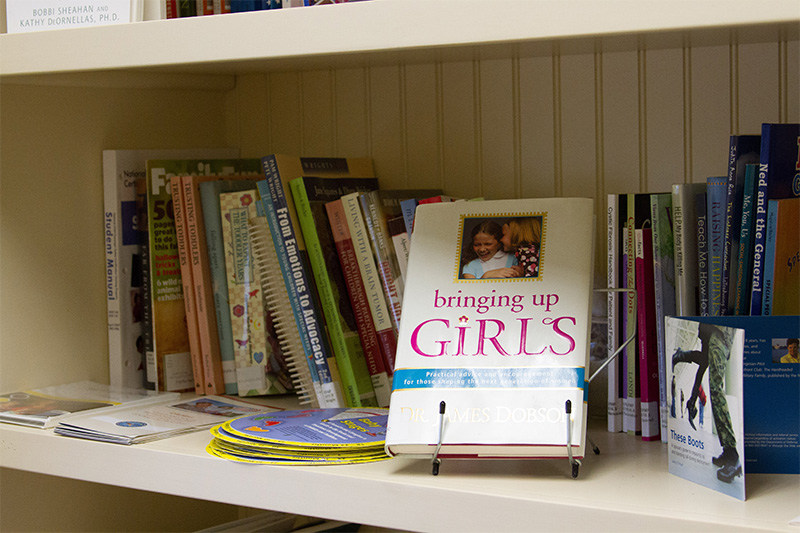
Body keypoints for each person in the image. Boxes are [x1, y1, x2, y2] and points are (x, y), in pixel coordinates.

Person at [672, 322, 741, 483]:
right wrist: (693, 398)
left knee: (715, 387)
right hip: (717, 331)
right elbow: (703, 364)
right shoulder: (715, 334)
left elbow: (703, 363)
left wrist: (693, 398)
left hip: (718, 332)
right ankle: (729, 452)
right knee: (715, 387)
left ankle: (731, 453)